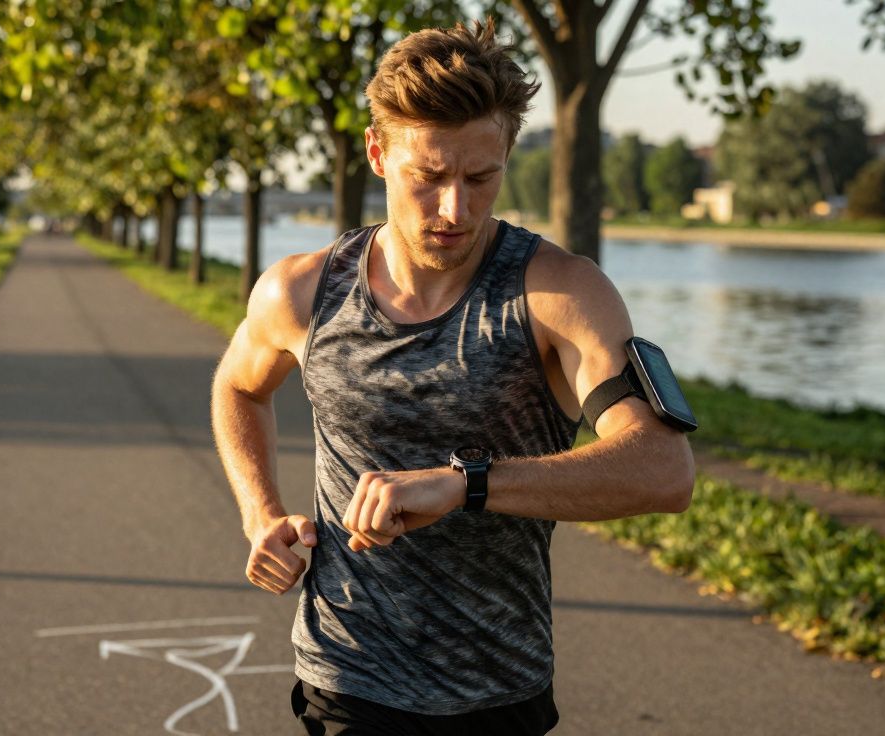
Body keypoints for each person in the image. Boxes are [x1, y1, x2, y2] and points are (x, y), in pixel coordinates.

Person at [210, 18, 695, 736]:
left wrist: (466, 484)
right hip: (346, 677)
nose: (455, 210)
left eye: (480, 177)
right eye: (428, 177)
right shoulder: (302, 292)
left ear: (506, 153)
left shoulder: (558, 294)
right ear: (377, 153)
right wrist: (261, 514)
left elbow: (664, 470)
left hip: (497, 693)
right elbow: (239, 387)